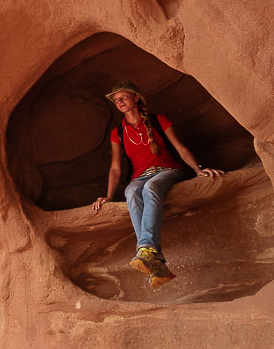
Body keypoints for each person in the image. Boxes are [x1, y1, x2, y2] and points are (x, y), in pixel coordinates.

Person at [91, 81, 223, 288]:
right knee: (132, 191)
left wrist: (198, 170)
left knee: (150, 188)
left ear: (136, 98)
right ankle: (157, 262)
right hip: (139, 176)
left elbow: (180, 148)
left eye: (123, 97)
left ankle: (146, 249)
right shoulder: (118, 133)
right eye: (116, 100)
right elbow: (115, 168)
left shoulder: (158, 120)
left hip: (167, 171)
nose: (120, 102)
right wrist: (108, 196)